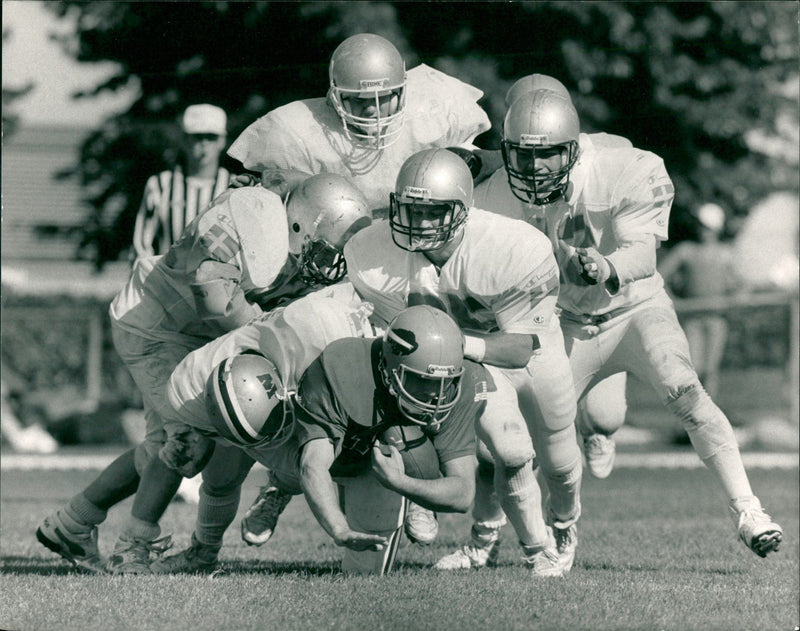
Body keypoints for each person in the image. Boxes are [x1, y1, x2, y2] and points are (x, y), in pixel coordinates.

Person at [475, 87, 782, 558]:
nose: (535, 169)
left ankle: (749, 510)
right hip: (568, 322)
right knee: (523, 437)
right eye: (524, 155)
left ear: (573, 150)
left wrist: (605, 266)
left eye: (550, 155)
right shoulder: (496, 192)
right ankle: (488, 539)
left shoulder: (620, 168)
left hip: (635, 310)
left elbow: (642, 252)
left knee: (686, 392)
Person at [229, 31, 493, 547]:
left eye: (383, 98)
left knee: (415, 380)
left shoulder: (434, 107)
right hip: (331, 275)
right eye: (357, 101)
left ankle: (418, 491)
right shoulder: (297, 129)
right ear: (332, 95)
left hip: (401, 270)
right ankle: (281, 486)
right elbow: (257, 203)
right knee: (311, 386)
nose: (372, 113)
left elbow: (467, 173)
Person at [35, 174, 372, 574]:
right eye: (323, 250)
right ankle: (132, 550)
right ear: (298, 223)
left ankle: (74, 522)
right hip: (155, 325)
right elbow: (216, 302)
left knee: (162, 443)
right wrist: (273, 327)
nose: (328, 265)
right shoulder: (248, 220)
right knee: (185, 440)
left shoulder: (281, 232)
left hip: (185, 334)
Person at [344, 148, 582, 576]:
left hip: (518, 354)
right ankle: (533, 550)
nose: (418, 223)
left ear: (462, 211)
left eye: (432, 212)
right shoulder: (371, 251)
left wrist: (455, 345)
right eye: (410, 210)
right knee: (507, 451)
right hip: (459, 361)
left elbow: (521, 349)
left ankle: (566, 523)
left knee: (560, 462)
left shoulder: (512, 248)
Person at [154, 304, 488, 575]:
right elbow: (314, 464)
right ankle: (269, 495)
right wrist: (339, 528)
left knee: (366, 577)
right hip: (300, 418)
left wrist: (402, 482)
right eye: (420, 382)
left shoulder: (462, 383)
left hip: (382, 462)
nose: (435, 395)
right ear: (389, 368)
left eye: (445, 382)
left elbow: (462, 496)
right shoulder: (340, 367)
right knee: (245, 465)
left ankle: (414, 500)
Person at [658, 203, 740, 399]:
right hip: (692, 317)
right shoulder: (686, 251)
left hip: (716, 318)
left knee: (710, 370)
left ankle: (710, 419)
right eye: (701, 225)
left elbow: (738, 284)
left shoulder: (726, 254)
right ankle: (692, 419)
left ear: (716, 229)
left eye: (707, 227)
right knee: (692, 368)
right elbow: (660, 276)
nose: (704, 231)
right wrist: (673, 300)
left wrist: (734, 296)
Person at [132, 104, 231, 260]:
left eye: (211, 137)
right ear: (184, 139)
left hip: (220, 282)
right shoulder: (160, 185)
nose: (204, 143)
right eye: (198, 136)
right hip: (167, 280)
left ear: (222, 141)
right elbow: (141, 247)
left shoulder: (234, 187)